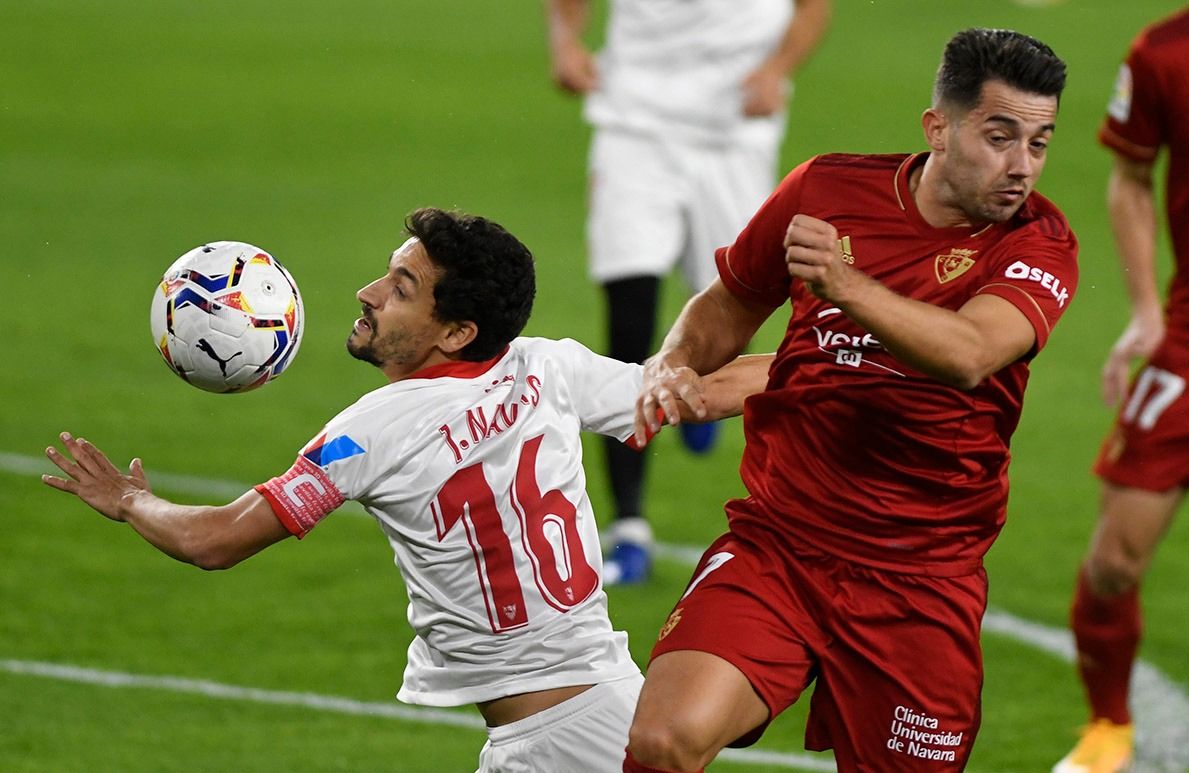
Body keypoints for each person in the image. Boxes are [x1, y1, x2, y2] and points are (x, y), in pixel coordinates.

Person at [41, 208, 769, 773]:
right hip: (601, 706)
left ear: (455, 332)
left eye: (401, 288)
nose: (367, 294)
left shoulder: (373, 430)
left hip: (565, 744)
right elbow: (703, 391)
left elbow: (215, 540)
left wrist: (131, 500)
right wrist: (843, 354)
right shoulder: (546, 367)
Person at [621, 28, 1075, 773]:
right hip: (780, 546)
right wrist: (672, 363)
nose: (1021, 167)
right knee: (662, 738)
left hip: (921, 582)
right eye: (1000, 137)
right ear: (938, 127)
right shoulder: (826, 189)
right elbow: (728, 306)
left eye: (1039, 143)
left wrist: (844, 285)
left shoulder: (1038, 244)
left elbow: (968, 355)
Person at [545, 0, 831, 585]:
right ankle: (629, 527)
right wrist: (565, 42)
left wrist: (779, 67)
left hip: (733, 130)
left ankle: (704, 383)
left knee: (729, 305)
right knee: (630, 324)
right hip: (635, 123)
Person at [1054, 7, 1189, 773]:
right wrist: (1146, 311)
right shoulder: (1165, 53)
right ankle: (1108, 725)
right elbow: (1132, 179)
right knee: (1113, 561)